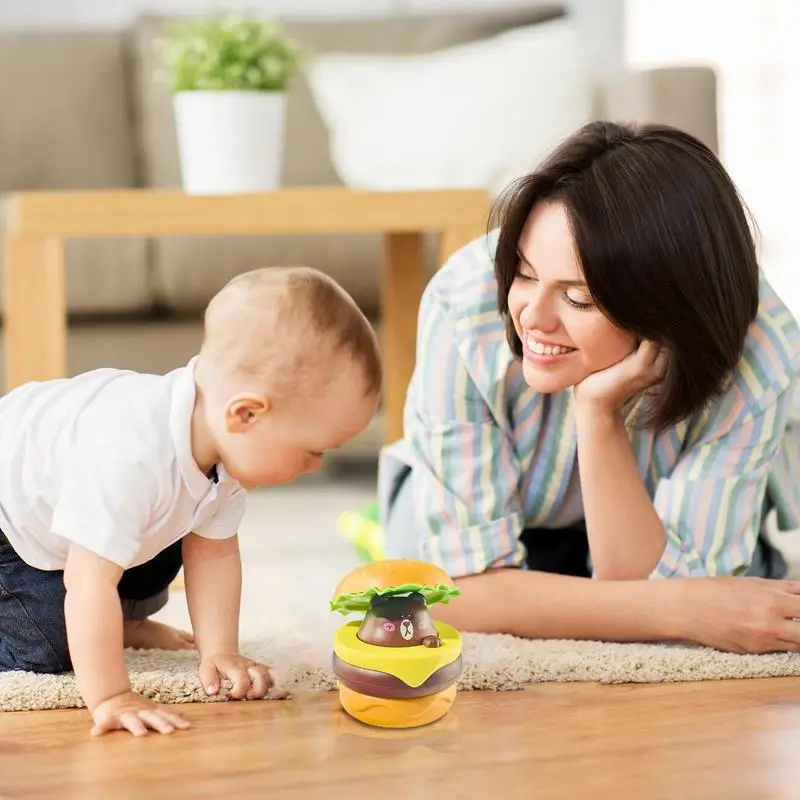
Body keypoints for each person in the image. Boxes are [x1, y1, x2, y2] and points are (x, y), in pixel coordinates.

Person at [376, 120, 800, 654]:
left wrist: (597, 413)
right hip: (515, 515)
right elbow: (458, 592)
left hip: (641, 519)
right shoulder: (465, 302)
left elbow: (681, 593)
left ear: (664, 309)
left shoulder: (762, 347)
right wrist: (686, 607)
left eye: (577, 299)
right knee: (412, 571)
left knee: (745, 586)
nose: (532, 316)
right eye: (524, 274)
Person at [0, 265, 381, 737]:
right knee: (48, 641)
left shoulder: (224, 444)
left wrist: (218, 650)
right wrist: (112, 696)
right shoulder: (132, 455)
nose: (314, 467)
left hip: (72, 512)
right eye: (312, 451)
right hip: (11, 522)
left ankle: (118, 619)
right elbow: (86, 578)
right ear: (246, 413)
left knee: (165, 545)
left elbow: (215, 551)